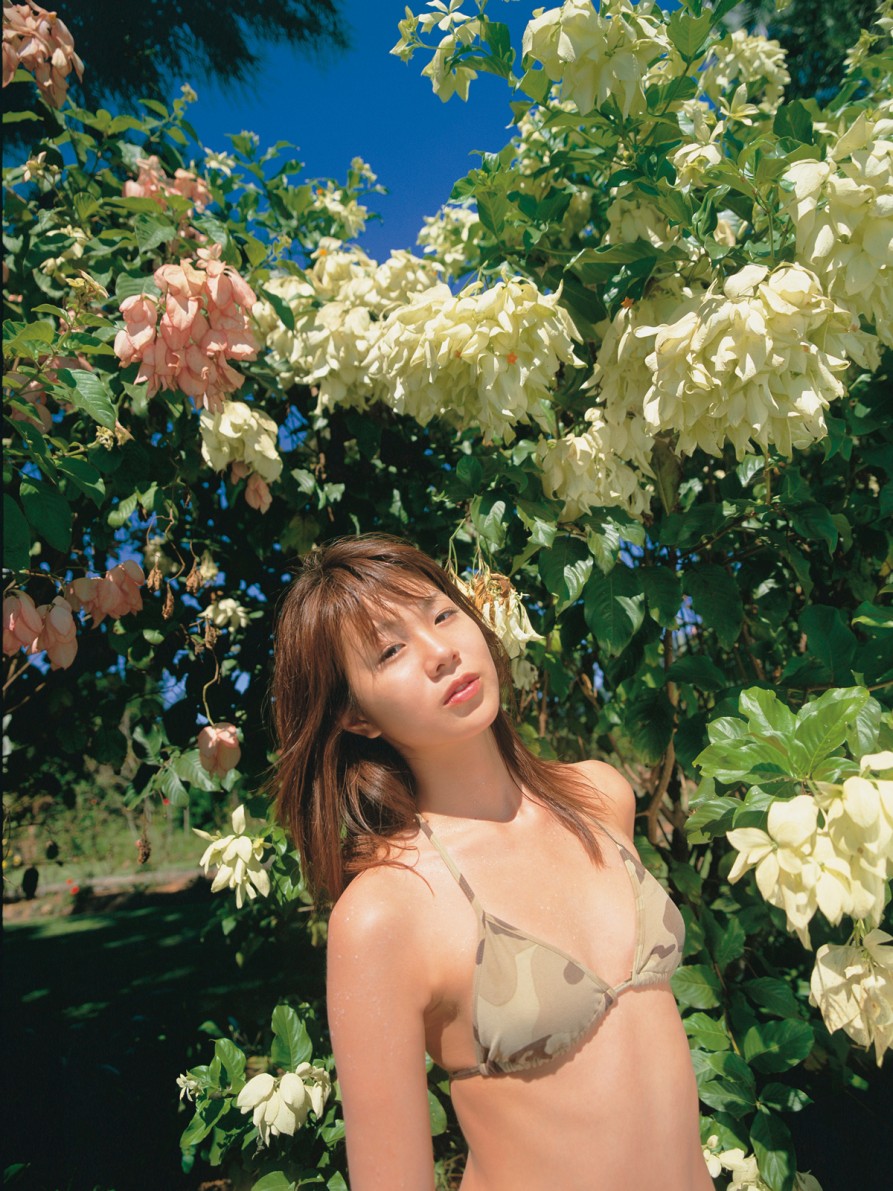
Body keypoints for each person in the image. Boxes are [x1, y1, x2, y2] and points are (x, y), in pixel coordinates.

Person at [270, 533, 711, 1191]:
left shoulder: (599, 796)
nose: (440, 652)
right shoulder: (387, 910)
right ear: (355, 716)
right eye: (390, 650)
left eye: (443, 614)